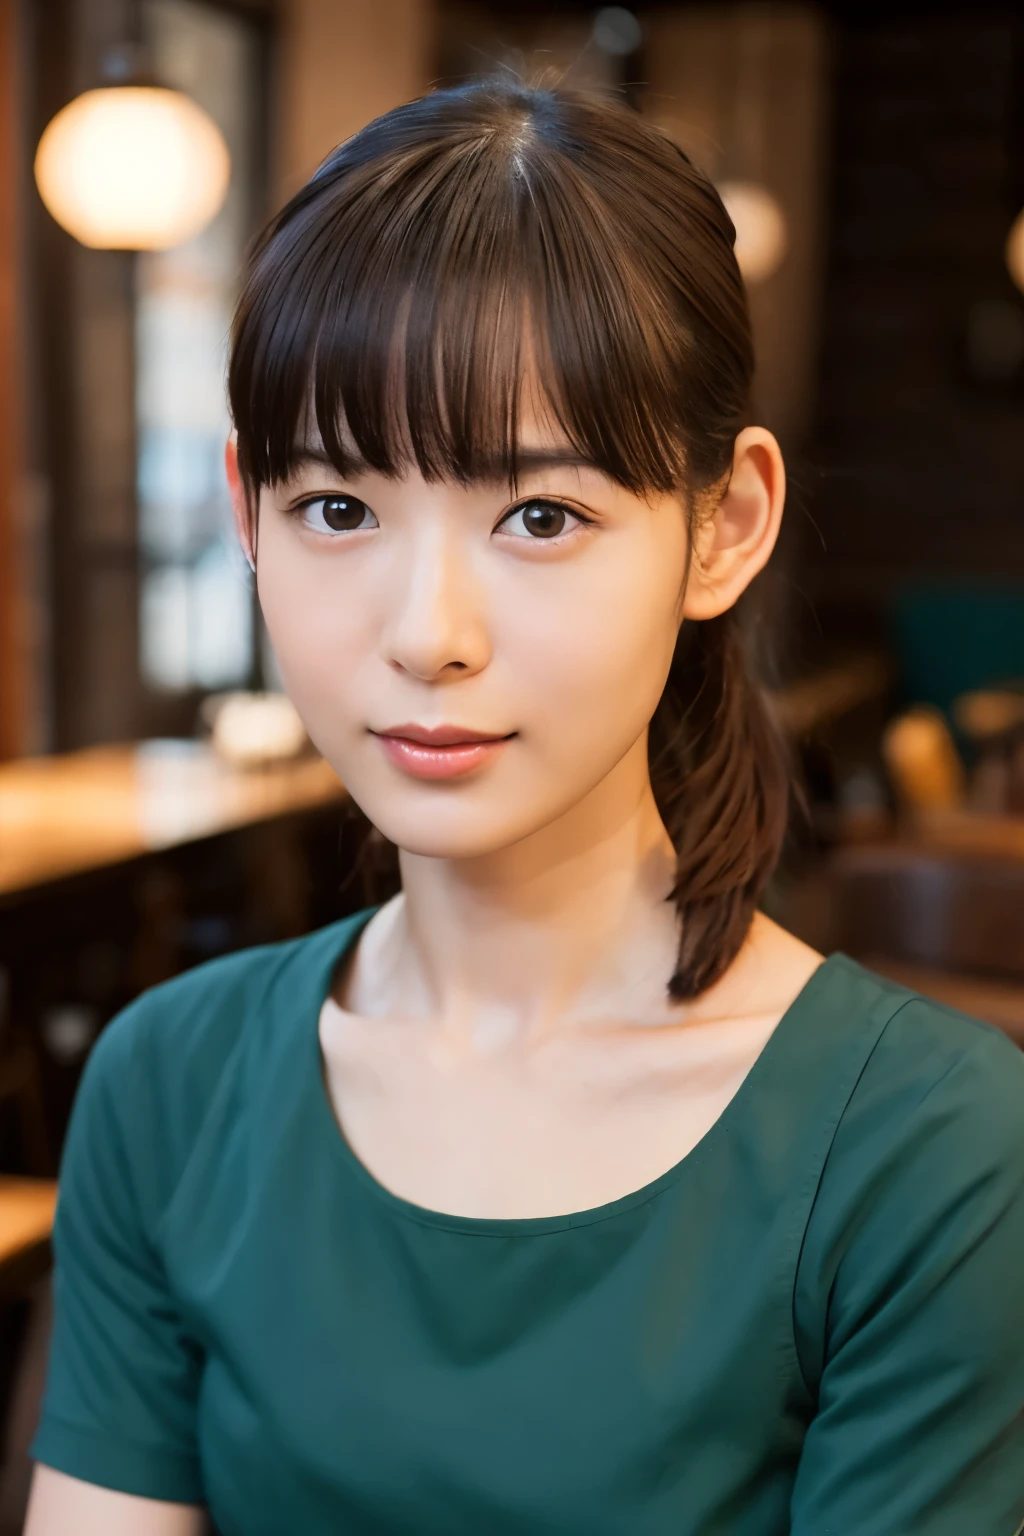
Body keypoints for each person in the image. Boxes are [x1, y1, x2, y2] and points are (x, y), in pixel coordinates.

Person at [24, 80, 1024, 1536]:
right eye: (340, 510)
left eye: (541, 516)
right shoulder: (169, 1085)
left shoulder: (924, 1150)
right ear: (246, 512)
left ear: (724, 525)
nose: (427, 632)